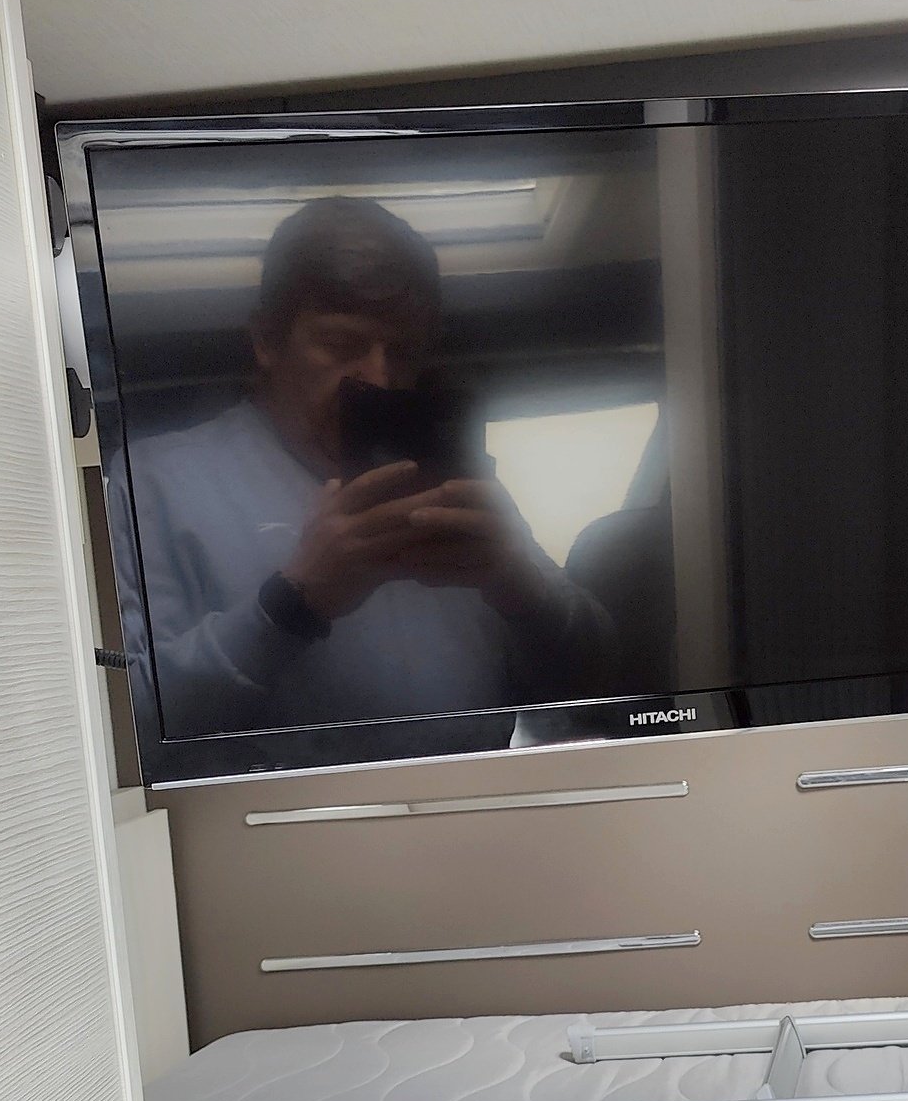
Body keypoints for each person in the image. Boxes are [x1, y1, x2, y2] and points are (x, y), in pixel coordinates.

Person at [128, 194, 612, 740]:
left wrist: (521, 587)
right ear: (266, 341)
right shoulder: (153, 481)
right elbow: (132, 722)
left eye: (402, 353)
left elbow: (600, 680)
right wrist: (294, 604)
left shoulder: (451, 482)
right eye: (341, 344)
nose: (379, 380)